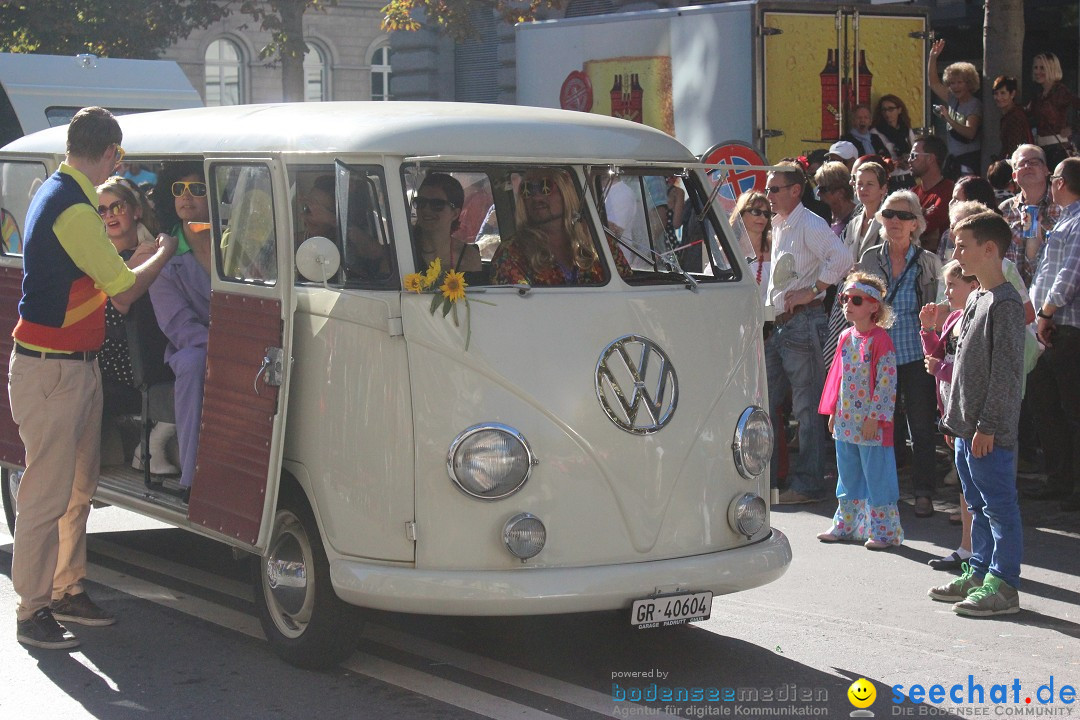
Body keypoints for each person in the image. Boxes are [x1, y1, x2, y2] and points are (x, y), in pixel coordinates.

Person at [9, 107, 177, 649]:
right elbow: (124, 292)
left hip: (69, 368)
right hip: (54, 371)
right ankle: (33, 610)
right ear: (110, 154)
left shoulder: (56, 192)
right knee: (46, 494)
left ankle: (65, 589)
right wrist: (164, 253)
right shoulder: (75, 209)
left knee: (77, 488)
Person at [929, 211, 1026, 617]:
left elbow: (1005, 373)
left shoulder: (1005, 304)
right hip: (966, 430)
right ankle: (980, 570)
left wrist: (986, 426)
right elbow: (961, 367)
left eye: (963, 245)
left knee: (999, 507)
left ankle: (1003, 585)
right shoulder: (976, 299)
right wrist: (955, 422)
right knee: (976, 502)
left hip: (989, 432)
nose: (956, 253)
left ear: (990, 249)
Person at [764, 162, 851, 504]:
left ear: (795, 191)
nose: (768, 195)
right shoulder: (782, 224)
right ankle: (769, 480)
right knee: (768, 404)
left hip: (802, 321)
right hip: (781, 323)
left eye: (774, 189)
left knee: (806, 408)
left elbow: (843, 258)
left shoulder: (809, 223)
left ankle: (808, 483)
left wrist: (813, 290)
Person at [856, 190, 941, 518]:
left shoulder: (929, 262)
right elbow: (856, 303)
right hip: (877, 358)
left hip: (915, 357)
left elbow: (940, 309)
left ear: (916, 224)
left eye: (903, 216)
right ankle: (882, 492)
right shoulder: (869, 258)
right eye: (889, 214)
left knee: (920, 427)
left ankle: (923, 492)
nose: (895, 220)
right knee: (878, 425)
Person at [96, 177, 180, 476]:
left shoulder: (154, 245)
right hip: (115, 369)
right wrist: (153, 258)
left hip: (160, 352)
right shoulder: (97, 257)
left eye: (116, 207)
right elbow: (116, 306)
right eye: (101, 211)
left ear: (135, 211)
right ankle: (151, 447)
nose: (109, 216)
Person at [816, 272, 903, 549]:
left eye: (856, 300)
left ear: (874, 306)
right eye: (844, 298)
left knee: (877, 475)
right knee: (848, 473)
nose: (847, 304)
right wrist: (833, 411)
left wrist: (875, 417)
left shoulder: (881, 340)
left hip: (870, 425)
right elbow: (837, 376)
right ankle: (846, 525)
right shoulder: (845, 337)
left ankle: (885, 531)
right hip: (845, 421)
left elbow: (887, 383)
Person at [149, 162, 212, 503]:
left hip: (249, 336)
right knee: (192, 364)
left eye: (197, 189)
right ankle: (192, 476)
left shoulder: (235, 244)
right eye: (178, 189)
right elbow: (177, 325)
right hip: (194, 347)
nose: (186, 197)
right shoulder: (165, 255)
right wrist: (223, 347)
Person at [1024, 157, 1080, 511]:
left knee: (1071, 409)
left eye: (1054, 177)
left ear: (1060, 181)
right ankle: (1059, 479)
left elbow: (1070, 275)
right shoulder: (1064, 219)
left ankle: (1073, 485)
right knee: (1045, 405)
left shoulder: (1077, 222)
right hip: (1046, 327)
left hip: (1065, 327)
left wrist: (1047, 311)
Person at [920, 260, 979, 570]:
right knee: (964, 486)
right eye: (947, 285)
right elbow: (937, 356)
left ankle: (981, 550)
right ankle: (967, 546)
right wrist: (928, 329)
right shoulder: (954, 317)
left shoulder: (976, 318)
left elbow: (968, 370)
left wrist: (939, 368)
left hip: (971, 413)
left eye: (953, 285)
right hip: (954, 413)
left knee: (978, 487)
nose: (947, 291)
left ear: (974, 286)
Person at [491, 169, 631, 285]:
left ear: (566, 192)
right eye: (527, 190)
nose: (536, 197)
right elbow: (515, 307)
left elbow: (627, 288)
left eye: (545, 187)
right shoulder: (512, 252)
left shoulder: (599, 243)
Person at [998, 144, 1062, 286]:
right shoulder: (1004, 210)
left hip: (1052, 291)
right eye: (1021, 164)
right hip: (1014, 295)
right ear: (1014, 176)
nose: (1027, 166)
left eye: (1034, 162)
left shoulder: (1062, 205)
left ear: (1046, 170)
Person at [928, 39, 982, 177]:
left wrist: (948, 118)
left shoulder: (974, 104)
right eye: (952, 83)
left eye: (959, 82)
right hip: (954, 158)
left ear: (968, 83)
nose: (955, 87)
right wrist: (933, 57)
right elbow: (934, 83)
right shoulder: (952, 98)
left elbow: (970, 132)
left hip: (969, 159)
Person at [412, 172, 481, 273]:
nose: (426, 209)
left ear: (455, 214)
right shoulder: (401, 250)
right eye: (421, 202)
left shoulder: (469, 257)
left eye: (437, 204)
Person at [1027, 53, 1080, 169]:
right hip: (1041, 148)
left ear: (1051, 69)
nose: (1037, 71)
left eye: (1042, 68)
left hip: (1058, 148)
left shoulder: (1060, 91)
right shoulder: (1038, 95)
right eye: (1035, 67)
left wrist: (1073, 128)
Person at [910, 135, 955, 253]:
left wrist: (914, 219)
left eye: (914, 155)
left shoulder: (949, 191)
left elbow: (925, 226)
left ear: (930, 158)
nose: (909, 160)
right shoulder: (912, 193)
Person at [939, 176, 998, 260]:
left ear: (973, 203)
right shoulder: (947, 235)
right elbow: (940, 270)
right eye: (952, 198)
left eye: (956, 200)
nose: (951, 203)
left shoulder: (998, 236)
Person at [728, 190, 771, 304]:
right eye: (756, 211)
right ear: (741, 214)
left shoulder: (776, 246)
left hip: (772, 317)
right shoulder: (726, 249)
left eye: (766, 214)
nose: (762, 217)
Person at [844, 162, 888, 265]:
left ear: (883, 189)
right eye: (859, 184)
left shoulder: (890, 221)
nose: (863, 189)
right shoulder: (853, 223)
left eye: (870, 184)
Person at [871, 95, 917, 190]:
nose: (887, 113)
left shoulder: (906, 130)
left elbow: (915, 151)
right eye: (884, 110)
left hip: (909, 178)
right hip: (891, 180)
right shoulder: (876, 132)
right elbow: (877, 159)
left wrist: (909, 160)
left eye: (891, 109)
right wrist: (897, 163)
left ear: (899, 110)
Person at [992, 76, 1033, 161]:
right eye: (996, 93)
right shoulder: (1009, 115)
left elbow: (1014, 148)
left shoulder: (1015, 117)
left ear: (1012, 94)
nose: (999, 97)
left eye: (1003, 93)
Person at [814, 161, 857, 238]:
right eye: (818, 188)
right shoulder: (822, 218)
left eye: (823, 189)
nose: (818, 193)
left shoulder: (858, 219)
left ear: (840, 192)